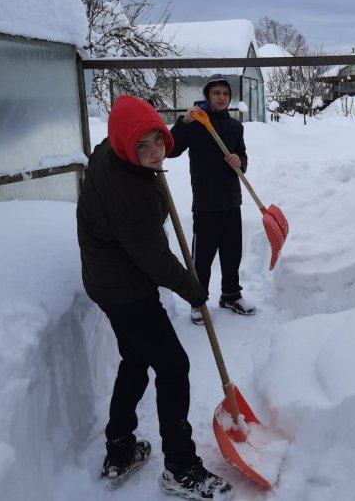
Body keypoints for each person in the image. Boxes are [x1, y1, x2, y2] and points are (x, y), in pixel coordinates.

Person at [76, 95, 232, 500]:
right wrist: (193, 289)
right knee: (173, 365)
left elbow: (143, 246)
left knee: (136, 358)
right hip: (126, 288)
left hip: (107, 280)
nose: (152, 153)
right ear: (124, 144)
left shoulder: (110, 151)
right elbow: (155, 258)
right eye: (141, 146)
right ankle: (179, 467)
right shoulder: (132, 194)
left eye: (156, 141)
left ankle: (120, 448)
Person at [169, 74, 255, 326]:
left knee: (231, 254)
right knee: (203, 258)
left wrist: (240, 161)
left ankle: (230, 295)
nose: (222, 97)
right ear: (208, 95)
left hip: (231, 201)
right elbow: (172, 149)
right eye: (216, 93)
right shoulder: (195, 124)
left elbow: (243, 157)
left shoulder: (235, 127)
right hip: (206, 203)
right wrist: (183, 122)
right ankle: (198, 301)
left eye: (226, 94)